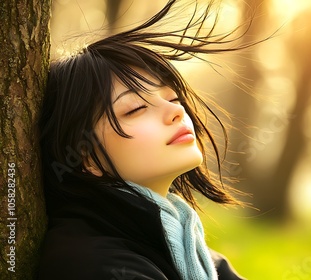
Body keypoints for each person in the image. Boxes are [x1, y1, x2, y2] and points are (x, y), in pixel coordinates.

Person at [37, 1, 256, 279]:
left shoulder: (193, 252)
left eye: (172, 98)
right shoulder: (97, 267)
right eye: (136, 108)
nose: (176, 111)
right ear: (87, 156)